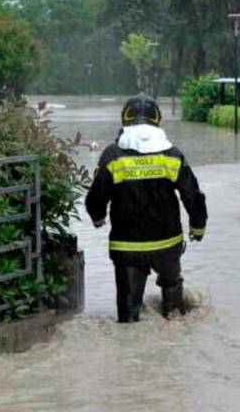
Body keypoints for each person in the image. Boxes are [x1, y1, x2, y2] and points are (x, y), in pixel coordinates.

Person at [85, 94, 207, 323]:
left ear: (125, 118)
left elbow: (97, 194)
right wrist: (198, 227)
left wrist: (97, 216)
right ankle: (175, 334)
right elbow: (193, 195)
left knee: (129, 311)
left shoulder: (113, 155)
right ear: (157, 119)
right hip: (168, 243)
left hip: (127, 246)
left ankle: (130, 348)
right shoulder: (172, 154)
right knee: (173, 302)